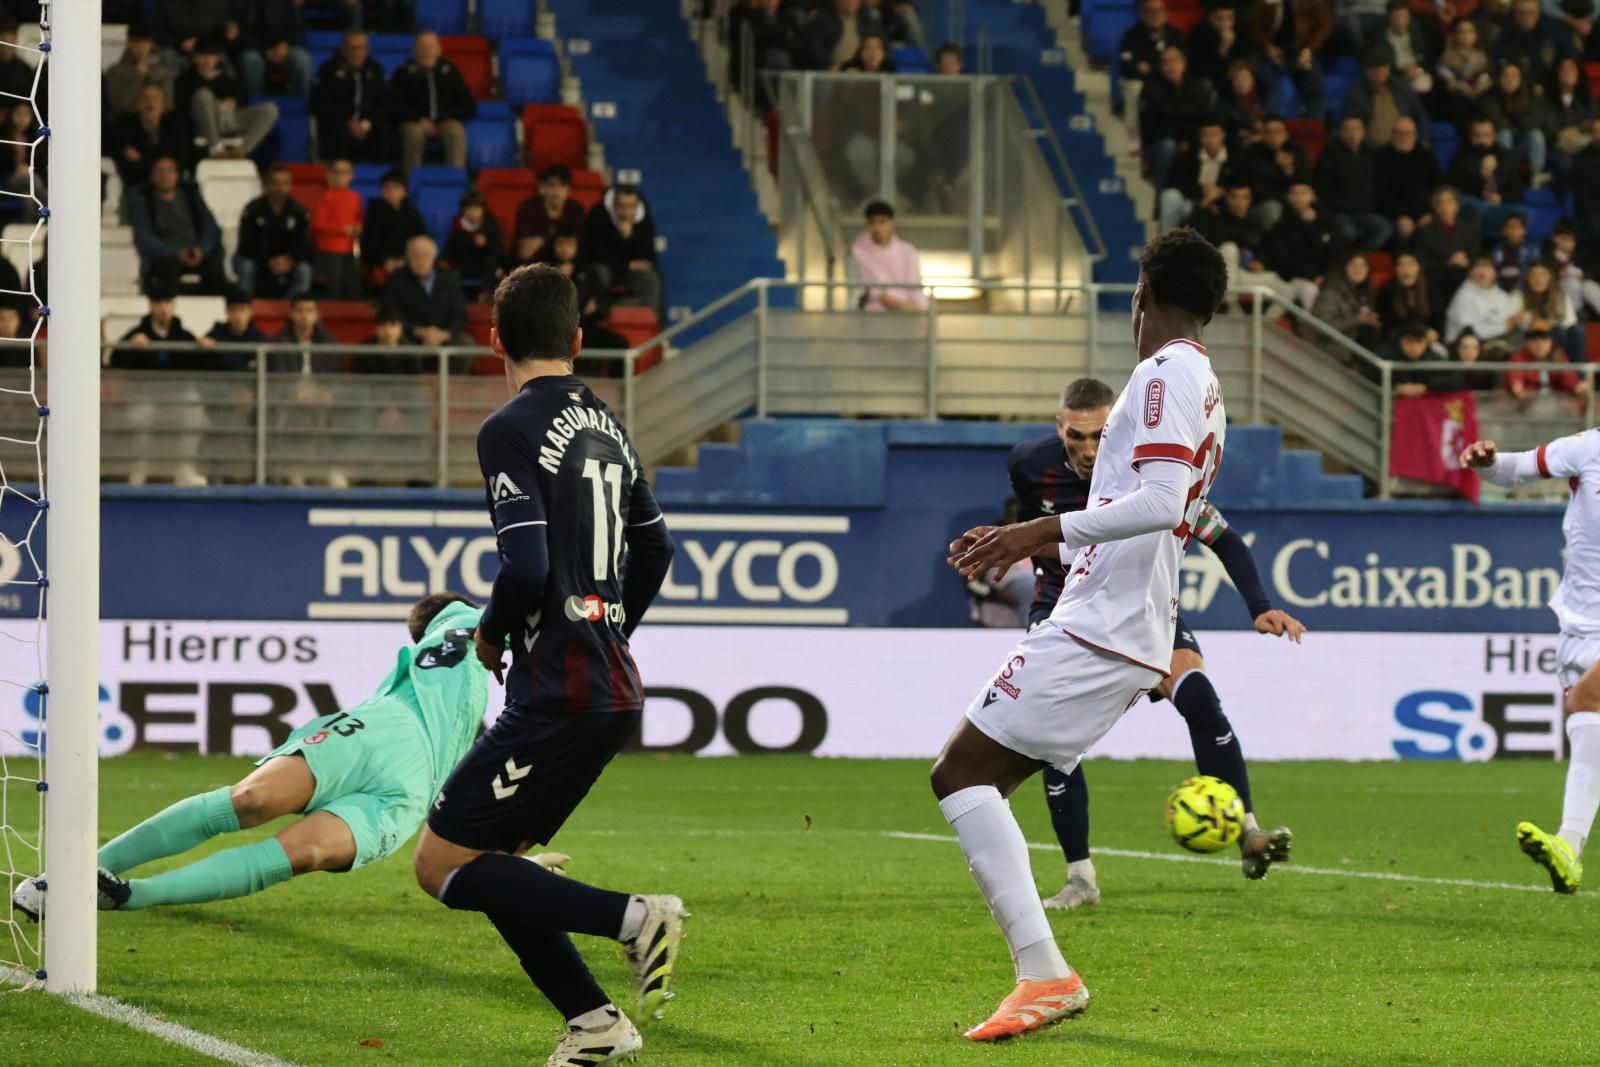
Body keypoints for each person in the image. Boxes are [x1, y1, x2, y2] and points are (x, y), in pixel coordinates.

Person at [934, 228, 1230, 1042]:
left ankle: (1044, 973)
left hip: (1105, 624)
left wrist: (1036, 531)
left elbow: (1165, 501)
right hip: (1119, 621)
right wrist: (1038, 539)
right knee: (971, 775)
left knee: (960, 772)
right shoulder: (1205, 380)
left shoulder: (1165, 371)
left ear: (1145, 296)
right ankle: (1042, 967)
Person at [409, 264, 683, 1066]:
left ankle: (636, 917)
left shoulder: (508, 427)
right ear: (577, 340)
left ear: (493, 339)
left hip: (557, 690)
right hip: (607, 681)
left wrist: (493, 633)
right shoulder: (610, 422)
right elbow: (658, 544)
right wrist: (609, 622)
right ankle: (596, 1021)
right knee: (495, 862)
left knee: (439, 863)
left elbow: (525, 567)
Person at [10, 595, 564, 917]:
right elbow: (515, 604)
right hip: (377, 733)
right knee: (250, 800)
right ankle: (69, 874)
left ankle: (124, 897)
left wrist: (507, 867)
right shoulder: (455, 622)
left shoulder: (479, 706)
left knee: (301, 854)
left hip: (409, 793)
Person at [1008, 377, 1302, 911]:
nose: (1089, 449)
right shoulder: (1029, 464)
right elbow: (1031, 516)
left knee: (1200, 702)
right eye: (1077, 436)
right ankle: (1080, 878)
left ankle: (1248, 832)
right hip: (1063, 609)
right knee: (1055, 743)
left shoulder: (1148, 467)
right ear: (1060, 427)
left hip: (1143, 607)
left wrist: (1260, 606)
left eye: (1100, 434)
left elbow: (1222, 536)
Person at [1463, 429, 1600, 895]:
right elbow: (1514, 471)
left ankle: (1566, 842)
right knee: (1586, 725)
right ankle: (1570, 851)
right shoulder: (1587, 448)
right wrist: (1486, 463)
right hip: (1578, 626)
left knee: (1587, 699)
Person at [127, 154, 227, 295]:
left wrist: (201, 250)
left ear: (177, 175)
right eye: (160, 171)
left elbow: (212, 229)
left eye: (170, 170)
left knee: (213, 265)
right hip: (165, 255)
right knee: (167, 267)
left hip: (195, 252)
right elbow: (144, 237)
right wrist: (176, 253)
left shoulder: (192, 197)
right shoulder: (143, 200)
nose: (165, 176)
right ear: (152, 176)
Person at [177, 37, 279, 159]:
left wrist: (233, 102)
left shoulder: (229, 79)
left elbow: (242, 100)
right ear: (194, 57)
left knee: (270, 109)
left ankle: (241, 151)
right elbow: (181, 108)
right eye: (202, 56)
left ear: (217, 58)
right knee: (203, 95)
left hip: (228, 119)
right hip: (200, 123)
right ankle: (216, 148)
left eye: (211, 56)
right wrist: (213, 104)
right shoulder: (186, 79)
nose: (206, 60)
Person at [392, 30, 477, 171]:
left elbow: (468, 104)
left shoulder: (450, 72)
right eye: (422, 47)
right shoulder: (404, 73)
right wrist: (418, 119)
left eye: (430, 46)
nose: (426, 51)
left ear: (439, 49)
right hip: (414, 122)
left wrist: (443, 117)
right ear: (414, 50)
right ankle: (410, 181)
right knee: (414, 134)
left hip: (444, 121)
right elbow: (395, 104)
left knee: (456, 131)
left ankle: (455, 181)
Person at [1138, 47, 1220, 190]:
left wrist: (1196, 139)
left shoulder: (1197, 87)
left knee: (1215, 141)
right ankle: (1163, 194)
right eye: (1165, 62)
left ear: (1183, 63)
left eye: (1174, 60)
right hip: (1162, 141)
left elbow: (1205, 117)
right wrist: (1179, 141)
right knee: (1167, 147)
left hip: (1194, 139)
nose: (1170, 65)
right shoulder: (1151, 90)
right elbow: (1151, 127)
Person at [1314, 114, 1394, 250]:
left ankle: (1360, 255)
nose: (1353, 133)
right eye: (1348, 129)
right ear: (1341, 133)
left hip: (1367, 212)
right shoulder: (1329, 155)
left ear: (1364, 132)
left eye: (1357, 129)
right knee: (1348, 233)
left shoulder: (1373, 154)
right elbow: (1322, 188)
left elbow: (1381, 185)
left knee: (1385, 229)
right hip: (1339, 213)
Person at [235, 165, 314, 299]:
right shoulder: (252, 210)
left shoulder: (299, 211)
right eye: (275, 183)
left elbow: (303, 245)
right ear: (266, 185)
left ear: (290, 186)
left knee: (304, 270)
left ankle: (293, 308)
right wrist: (268, 261)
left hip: (288, 260)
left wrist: (290, 260)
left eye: (284, 183)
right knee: (247, 267)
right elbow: (246, 245)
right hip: (257, 257)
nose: (280, 188)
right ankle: (245, 305)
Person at [313, 31, 393, 163]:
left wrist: (367, 123)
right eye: (351, 48)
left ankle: (378, 175)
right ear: (343, 48)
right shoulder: (328, 69)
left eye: (360, 48)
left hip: (369, 124)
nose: (356, 53)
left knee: (384, 133)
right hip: (339, 122)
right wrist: (347, 121)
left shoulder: (376, 70)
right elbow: (319, 103)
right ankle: (339, 176)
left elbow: (386, 103)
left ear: (367, 49)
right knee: (337, 131)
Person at [582, 184, 661, 314]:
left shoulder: (644, 220)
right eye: (621, 206)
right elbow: (593, 253)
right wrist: (627, 265)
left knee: (650, 279)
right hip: (607, 267)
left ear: (637, 205)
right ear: (613, 204)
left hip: (631, 273)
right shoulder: (598, 214)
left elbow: (648, 257)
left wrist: (631, 237)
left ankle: (649, 325)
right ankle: (597, 317)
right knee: (599, 273)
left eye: (631, 207)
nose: (626, 212)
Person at [1250, 0, 1332, 120]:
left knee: (1316, 88)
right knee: (1271, 85)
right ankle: (1273, 128)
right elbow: (1255, 28)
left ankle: (1313, 129)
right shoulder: (1264, 2)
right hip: (1271, 51)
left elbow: (1325, 24)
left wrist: (1309, 49)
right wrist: (1267, 47)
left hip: (1301, 50)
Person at [382, 234, 468, 347]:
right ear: (407, 258)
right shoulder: (396, 281)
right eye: (415, 256)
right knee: (395, 342)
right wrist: (417, 331)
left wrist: (444, 334)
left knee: (465, 343)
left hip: (443, 336)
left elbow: (460, 315)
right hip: (410, 336)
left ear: (434, 256)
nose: (420, 260)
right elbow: (392, 315)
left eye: (425, 255)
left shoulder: (448, 279)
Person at [1446, 117, 1528, 235]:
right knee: (1471, 204)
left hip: (1499, 207)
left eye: (1486, 135)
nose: (1481, 140)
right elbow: (1455, 191)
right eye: (1477, 135)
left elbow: (1518, 192)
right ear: (1470, 136)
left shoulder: (1505, 157)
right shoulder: (1459, 158)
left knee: (1523, 212)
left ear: (1494, 136)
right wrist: (1483, 174)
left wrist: (1501, 198)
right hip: (1475, 205)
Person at [1157, 121, 1242, 233]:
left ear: (1223, 135)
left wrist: (1219, 194)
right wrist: (1203, 191)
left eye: (1214, 135)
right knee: (1170, 196)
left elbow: (1239, 186)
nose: (1210, 140)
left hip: (1220, 207)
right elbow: (1176, 183)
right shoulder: (1188, 156)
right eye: (1206, 135)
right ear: (1200, 137)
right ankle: (1166, 243)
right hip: (1191, 204)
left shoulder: (1235, 160)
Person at [1260, 180, 1335, 307]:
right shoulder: (1281, 227)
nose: (1298, 198)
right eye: (1294, 193)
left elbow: (1335, 255)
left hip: (1325, 278)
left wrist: (1323, 277)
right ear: (1288, 197)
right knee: (1309, 290)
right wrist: (1312, 277)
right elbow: (1282, 260)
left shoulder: (1328, 223)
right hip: (1295, 280)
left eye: (1303, 193)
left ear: (1313, 196)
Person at [1340, 45, 1430, 148]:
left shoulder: (1402, 88)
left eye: (1382, 67)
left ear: (1388, 68)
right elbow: (1353, 128)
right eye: (1374, 69)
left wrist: (1423, 140)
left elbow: (1420, 115)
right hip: (1372, 152)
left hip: (1405, 149)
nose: (1379, 73)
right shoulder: (1355, 96)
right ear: (1366, 70)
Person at [1372, 117, 1443, 246]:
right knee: (1401, 233)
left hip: (1426, 213)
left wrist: (1430, 213)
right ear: (1392, 135)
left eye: (1408, 133)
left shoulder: (1426, 155)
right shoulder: (1381, 157)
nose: (1404, 137)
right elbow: (1382, 192)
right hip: (1394, 214)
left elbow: (1438, 186)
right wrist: (1400, 216)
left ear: (1415, 135)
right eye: (1399, 133)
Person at [108, 82, 189, 192]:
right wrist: (163, 167)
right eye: (145, 98)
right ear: (138, 104)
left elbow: (180, 162)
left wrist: (142, 160)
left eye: (155, 98)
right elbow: (127, 166)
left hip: (172, 188)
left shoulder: (175, 127)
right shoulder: (124, 127)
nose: (150, 103)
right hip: (138, 187)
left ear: (162, 105)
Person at [1480, 62, 1553, 181]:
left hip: (1520, 147)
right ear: (1499, 78)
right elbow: (1498, 124)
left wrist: (1519, 123)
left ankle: (1537, 176)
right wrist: (1520, 124)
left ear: (1520, 80)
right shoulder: (1489, 98)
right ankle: (1506, 175)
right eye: (1506, 75)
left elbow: (1536, 122)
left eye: (1514, 76)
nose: (1510, 80)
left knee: (1536, 135)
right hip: (1497, 150)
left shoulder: (1529, 96)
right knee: (1504, 133)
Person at [850, 200, 928, 311]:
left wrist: (913, 305)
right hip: (872, 314)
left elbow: (914, 286)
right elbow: (860, 289)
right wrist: (884, 299)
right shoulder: (857, 252)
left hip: (906, 312)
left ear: (892, 224)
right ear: (867, 225)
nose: (877, 228)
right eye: (872, 222)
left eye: (882, 222)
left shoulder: (908, 252)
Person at [1119, 0, 1188, 122]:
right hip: (1144, 81)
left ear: (1166, 14)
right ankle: (1134, 133)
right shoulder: (1132, 36)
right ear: (1142, 15)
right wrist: (1162, 69)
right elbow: (1127, 67)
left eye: (1159, 11)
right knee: (1134, 88)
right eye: (1150, 11)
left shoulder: (1177, 37)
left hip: (1171, 81)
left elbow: (1184, 65)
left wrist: (1152, 68)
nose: (1155, 15)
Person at [1414, 185, 1482, 304]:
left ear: (1457, 205)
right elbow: (1421, 260)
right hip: (1438, 277)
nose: (1445, 206)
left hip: (1466, 275)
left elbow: (1476, 253)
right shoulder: (1426, 231)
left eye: (1450, 202)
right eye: (1440, 202)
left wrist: (1467, 260)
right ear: (1434, 206)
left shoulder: (1468, 228)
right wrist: (1448, 262)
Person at [233, 0, 314, 100]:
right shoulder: (239, 3)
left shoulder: (286, 3)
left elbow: (297, 28)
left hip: (282, 48)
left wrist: (286, 44)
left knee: (303, 60)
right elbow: (237, 35)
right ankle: (251, 105)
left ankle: (308, 108)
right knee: (251, 60)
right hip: (254, 49)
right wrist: (265, 50)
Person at [362, 168, 426, 291]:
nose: (391, 192)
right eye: (387, 188)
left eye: (396, 187)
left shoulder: (412, 213)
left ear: (405, 191)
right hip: (383, 262)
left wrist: (408, 259)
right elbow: (371, 242)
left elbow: (421, 238)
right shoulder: (374, 212)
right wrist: (385, 260)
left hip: (408, 259)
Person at [1445, 255, 1529, 348]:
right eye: (1479, 266)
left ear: (1495, 273)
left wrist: (1518, 319)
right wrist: (1504, 326)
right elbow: (1469, 331)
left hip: (1499, 341)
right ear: (1470, 272)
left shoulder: (1501, 295)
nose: (1483, 271)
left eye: (1487, 267)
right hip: (1467, 347)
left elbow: (1514, 319)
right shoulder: (1463, 296)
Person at [513, 165, 587, 268]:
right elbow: (525, 253)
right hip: (535, 267)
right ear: (541, 188)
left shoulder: (576, 210)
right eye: (552, 185)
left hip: (569, 265)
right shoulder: (528, 208)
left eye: (562, 186)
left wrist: (541, 241)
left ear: (568, 190)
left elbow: (579, 247)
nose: (557, 192)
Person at [312, 159, 365, 299]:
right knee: (334, 287)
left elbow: (359, 218)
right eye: (337, 172)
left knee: (353, 286)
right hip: (330, 248)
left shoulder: (355, 197)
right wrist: (342, 229)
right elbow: (318, 224)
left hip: (350, 247)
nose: (340, 176)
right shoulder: (325, 197)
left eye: (344, 172)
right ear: (330, 175)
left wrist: (358, 227)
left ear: (351, 175)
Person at [103, 21, 178, 120]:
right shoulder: (115, 71)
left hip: (158, 123)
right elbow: (119, 105)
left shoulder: (163, 71)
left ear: (151, 43)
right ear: (129, 42)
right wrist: (136, 77)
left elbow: (168, 104)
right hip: (126, 123)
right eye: (136, 42)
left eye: (145, 42)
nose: (141, 47)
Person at [1312, 250, 1385, 349]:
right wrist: (1358, 319)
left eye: (1364, 265)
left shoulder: (1364, 295)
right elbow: (1320, 327)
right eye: (1354, 264)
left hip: (1349, 354)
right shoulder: (1331, 291)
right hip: (1325, 350)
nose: (1359, 269)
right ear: (1344, 267)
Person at [442, 189, 506, 300]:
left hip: (486, 268)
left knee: (493, 258)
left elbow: (499, 247)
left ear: (483, 210)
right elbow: (450, 251)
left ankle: (486, 294)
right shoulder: (457, 227)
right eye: (468, 208)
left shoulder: (490, 224)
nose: (472, 212)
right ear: (463, 211)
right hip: (464, 266)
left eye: (476, 208)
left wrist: (486, 243)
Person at [1434, 16, 1491, 129]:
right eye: (1461, 32)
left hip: (1477, 97)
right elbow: (1448, 80)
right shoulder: (1447, 58)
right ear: (1454, 35)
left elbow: (1485, 78)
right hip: (1455, 101)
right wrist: (1462, 87)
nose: (1466, 36)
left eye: (1470, 32)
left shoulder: (1481, 57)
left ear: (1476, 35)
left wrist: (1478, 87)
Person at [1188, 5, 1254, 94]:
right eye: (1220, 18)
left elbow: (1247, 55)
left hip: (1236, 75)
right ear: (1211, 18)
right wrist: (1224, 48)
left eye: (1230, 18)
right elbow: (1203, 70)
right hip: (1212, 81)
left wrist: (1242, 71)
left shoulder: (1241, 28)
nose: (1225, 23)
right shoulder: (1199, 34)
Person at [1389, 320, 1468, 395]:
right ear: (1400, 340)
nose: (1414, 347)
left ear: (1426, 343)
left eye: (1419, 341)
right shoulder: (1388, 355)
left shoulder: (1430, 356)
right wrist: (1396, 387)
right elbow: (1377, 378)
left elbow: (1458, 378)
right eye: (1410, 341)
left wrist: (1425, 386)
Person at [200, 287, 268, 371]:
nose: (237, 315)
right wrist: (202, 344)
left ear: (250, 312)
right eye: (233, 309)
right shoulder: (216, 335)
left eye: (242, 309)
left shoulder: (259, 339)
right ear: (226, 312)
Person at [799, 0, 881, 70]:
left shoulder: (867, 21)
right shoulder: (822, 20)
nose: (852, 2)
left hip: (862, 73)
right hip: (829, 73)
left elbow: (884, 47)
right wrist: (830, 65)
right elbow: (813, 48)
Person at [1377, 251, 1439, 338]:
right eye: (1400, 265)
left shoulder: (1430, 289)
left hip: (1425, 340)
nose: (1405, 269)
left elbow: (1438, 320)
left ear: (1419, 267)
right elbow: (1386, 325)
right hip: (1397, 339)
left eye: (1410, 264)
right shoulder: (1387, 290)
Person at [1547, 218, 1600, 319]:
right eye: (1564, 238)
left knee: (1590, 286)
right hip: (1559, 291)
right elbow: (1546, 275)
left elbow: (1593, 273)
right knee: (1572, 283)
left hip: (1582, 291)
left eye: (1572, 240)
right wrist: (1560, 274)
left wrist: (1583, 274)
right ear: (1554, 238)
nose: (1568, 243)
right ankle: (1577, 315)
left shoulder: (1581, 254)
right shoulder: (1548, 256)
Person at [1492, 213, 1537, 293]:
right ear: (1504, 231)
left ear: (1524, 230)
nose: (1514, 230)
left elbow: (1535, 272)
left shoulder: (1532, 249)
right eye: (1510, 227)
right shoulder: (1496, 250)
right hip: (1499, 290)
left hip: (1524, 290)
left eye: (1517, 227)